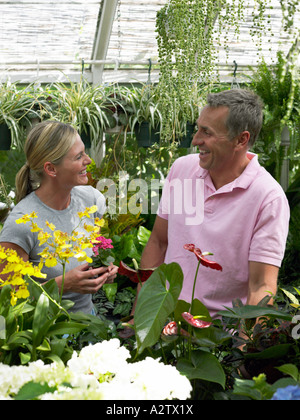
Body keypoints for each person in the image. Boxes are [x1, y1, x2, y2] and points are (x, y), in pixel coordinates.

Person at [138, 89, 290, 319]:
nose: (195, 140)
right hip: (165, 321)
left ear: (241, 139)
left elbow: (261, 286)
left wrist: (241, 349)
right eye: (198, 128)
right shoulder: (182, 170)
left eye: (206, 132)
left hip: (219, 337)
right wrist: (141, 314)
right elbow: (159, 243)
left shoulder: (268, 198)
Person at [0, 120, 118, 314]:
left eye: (84, 152)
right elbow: (6, 297)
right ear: (51, 169)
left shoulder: (91, 200)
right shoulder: (22, 224)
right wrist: (62, 284)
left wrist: (103, 270)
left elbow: (93, 255)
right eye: (79, 156)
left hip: (89, 324)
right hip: (46, 335)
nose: (88, 161)